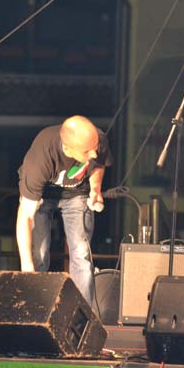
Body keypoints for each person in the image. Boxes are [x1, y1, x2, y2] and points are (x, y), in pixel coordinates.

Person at [16, 115, 113, 305]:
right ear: (68, 149)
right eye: (87, 151)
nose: (93, 154)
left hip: (77, 194)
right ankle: (35, 309)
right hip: (42, 196)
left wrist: (95, 189)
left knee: (81, 254)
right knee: (38, 254)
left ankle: (81, 313)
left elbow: (99, 163)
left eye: (95, 148)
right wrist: (26, 266)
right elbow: (25, 216)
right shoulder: (40, 159)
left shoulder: (97, 139)